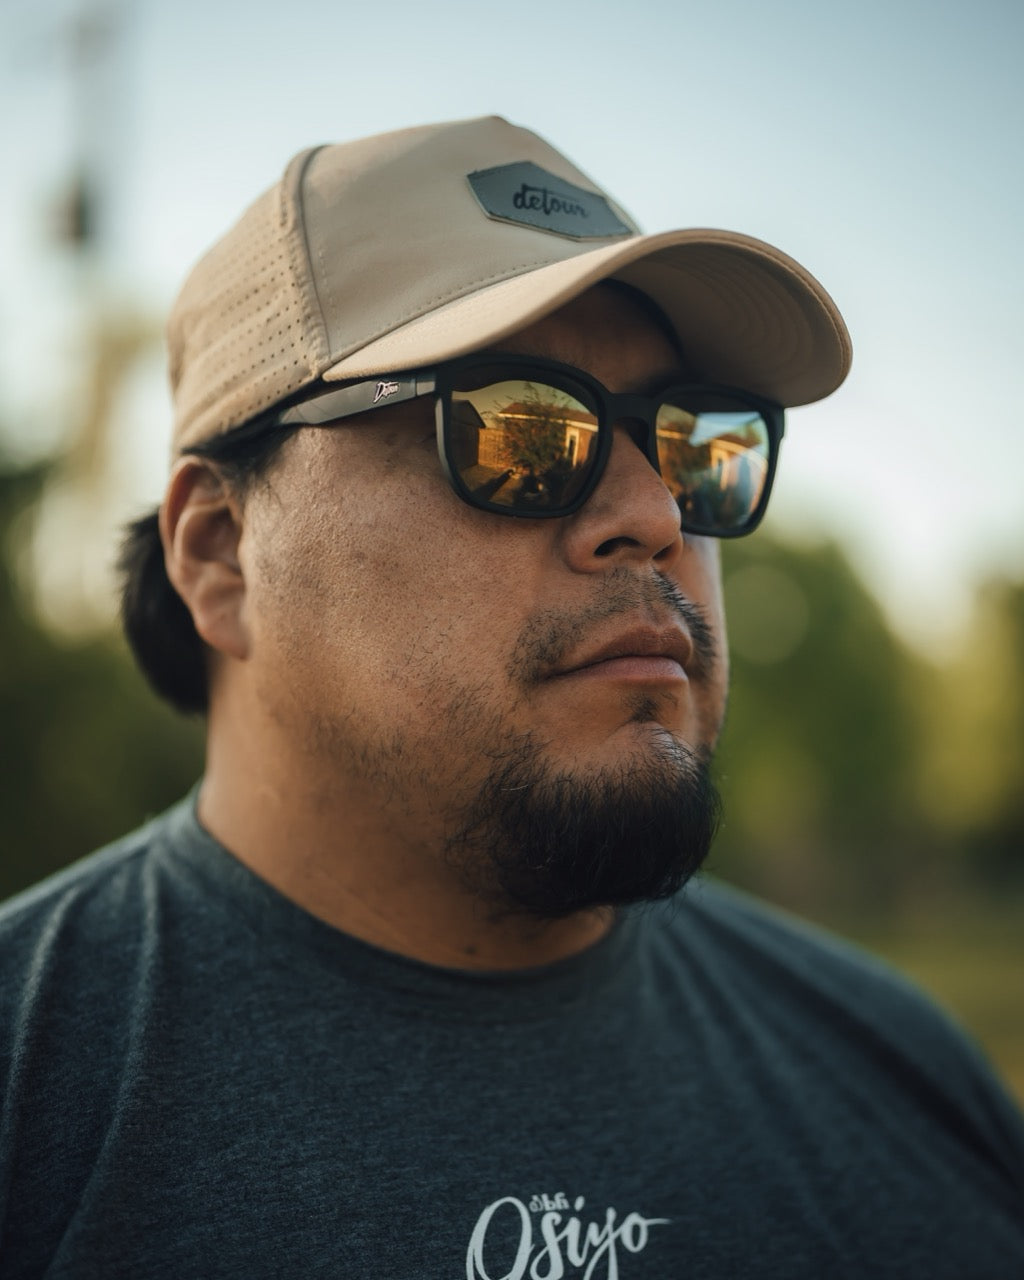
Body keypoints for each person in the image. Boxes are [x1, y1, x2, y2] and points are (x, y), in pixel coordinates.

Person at [1, 116, 1021, 1279]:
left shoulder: (900, 1076)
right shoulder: (33, 1104)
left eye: (691, 444)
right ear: (224, 552)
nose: (656, 514)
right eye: (519, 430)